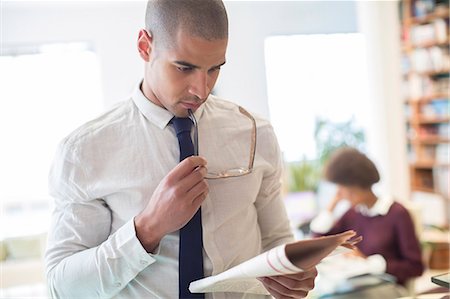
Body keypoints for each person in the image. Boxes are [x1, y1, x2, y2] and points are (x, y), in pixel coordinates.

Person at [44, 0, 317, 298]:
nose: (202, 89)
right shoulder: (84, 151)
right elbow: (63, 288)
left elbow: (277, 240)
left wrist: (292, 274)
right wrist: (147, 229)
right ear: (145, 47)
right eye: (184, 67)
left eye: (214, 69)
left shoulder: (255, 132)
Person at [310, 147, 424, 287]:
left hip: (389, 287)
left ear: (353, 187)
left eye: (340, 187)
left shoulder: (397, 214)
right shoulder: (353, 213)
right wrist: (332, 206)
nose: (339, 193)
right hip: (359, 284)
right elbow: (318, 242)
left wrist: (369, 263)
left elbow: (416, 267)